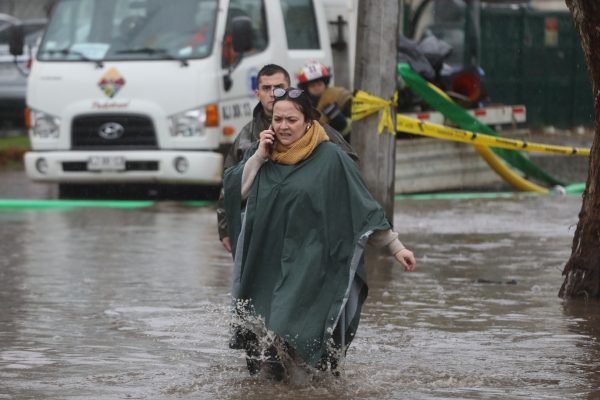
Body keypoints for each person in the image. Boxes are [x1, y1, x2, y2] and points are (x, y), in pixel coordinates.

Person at [223, 87, 416, 378]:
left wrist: (396, 247)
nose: (283, 127)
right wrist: (259, 157)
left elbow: (361, 207)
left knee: (294, 338)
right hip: (267, 265)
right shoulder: (261, 154)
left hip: (310, 267)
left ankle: (310, 387)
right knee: (266, 352)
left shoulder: (330, 157)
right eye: (277, 120)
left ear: (309, 121)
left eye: (291, 120)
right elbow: (235, 193)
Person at [217, 64, 357, 252]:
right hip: (261, 233)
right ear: (257, 93)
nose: (273, 93)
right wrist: (225, 228)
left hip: (307, 234)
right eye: (266, 88)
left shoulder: (317, 131)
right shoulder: (245, 139)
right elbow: (229, 184)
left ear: (291, 88)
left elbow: (349, 168)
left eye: (280, 87)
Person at [296, 61, 353, 140]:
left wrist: (341, 122)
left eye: (319, 84)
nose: (317, 88)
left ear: (325, 83)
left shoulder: (339, 97)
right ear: (306, 88)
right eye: (312, 85)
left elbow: (355, 126)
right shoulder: (301, 103)